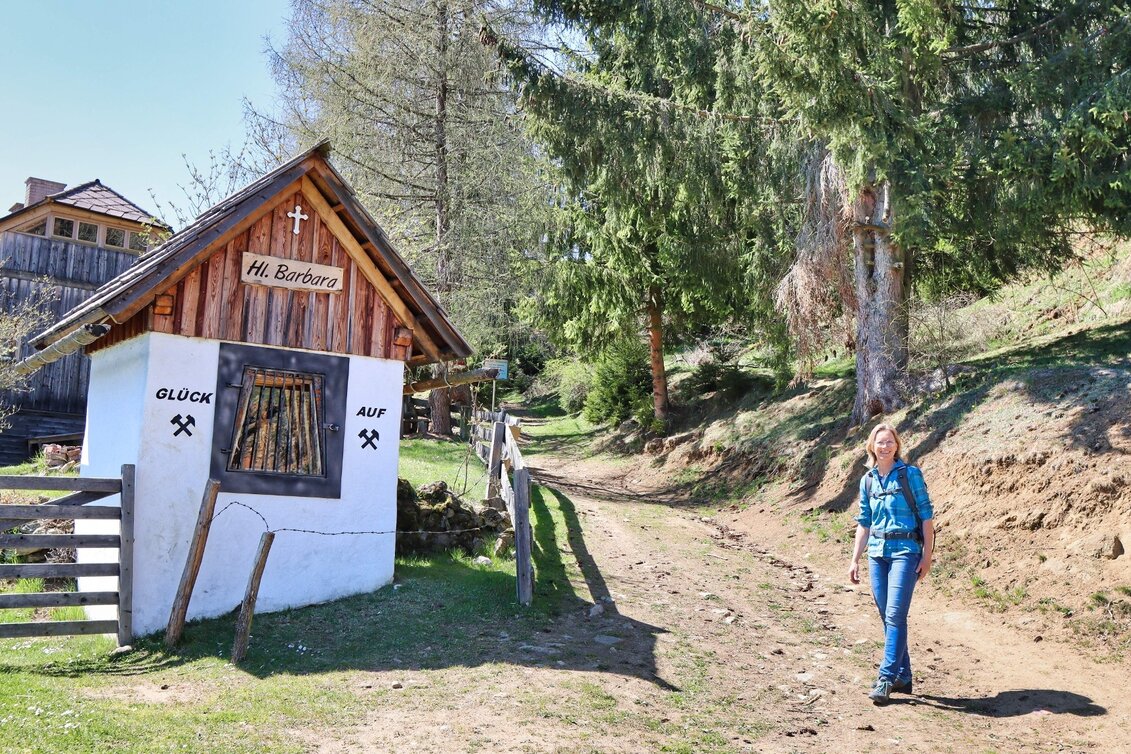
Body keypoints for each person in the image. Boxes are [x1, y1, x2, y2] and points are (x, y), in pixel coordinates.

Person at [848, 422, 935, 705]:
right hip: (877, 553)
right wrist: (855, 559)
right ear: (871, 447)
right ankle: (904, 675)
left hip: (906, 551)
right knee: (888, 615)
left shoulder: (910, 475)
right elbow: (864, 523)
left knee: (896, 614)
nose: (884, 447)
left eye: (889, 442)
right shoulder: (868, 480)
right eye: (879, 442)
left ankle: (886, 678)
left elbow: (926, 518)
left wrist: (927, 556)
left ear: (897, 445)